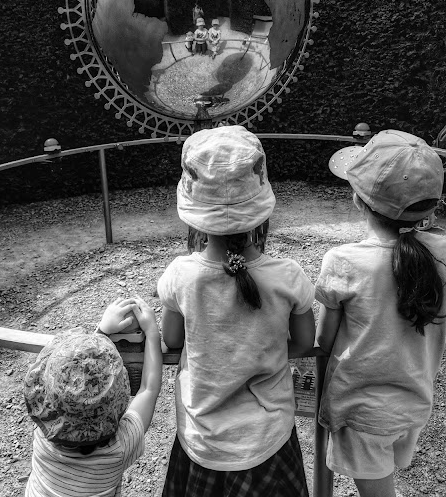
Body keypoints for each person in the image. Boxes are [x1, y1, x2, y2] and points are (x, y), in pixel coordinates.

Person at [157, 125, 316, 497]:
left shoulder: (181, 276)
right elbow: (305, 342)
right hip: (268, 439)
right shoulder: (288, 276)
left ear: (194, 215)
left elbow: (172, 340)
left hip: (203, 440)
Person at [315, 129, 446, 497]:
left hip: (362, 411)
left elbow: (324, 340)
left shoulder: (344, 261)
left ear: (358, 200)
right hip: (414, 402)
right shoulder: (442, 255)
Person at [23, 297, 162, 497]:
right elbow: (149, 388)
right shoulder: (118, 449)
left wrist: (101, 330)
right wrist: (152, 333)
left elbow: (73, 389)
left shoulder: (43, 435)